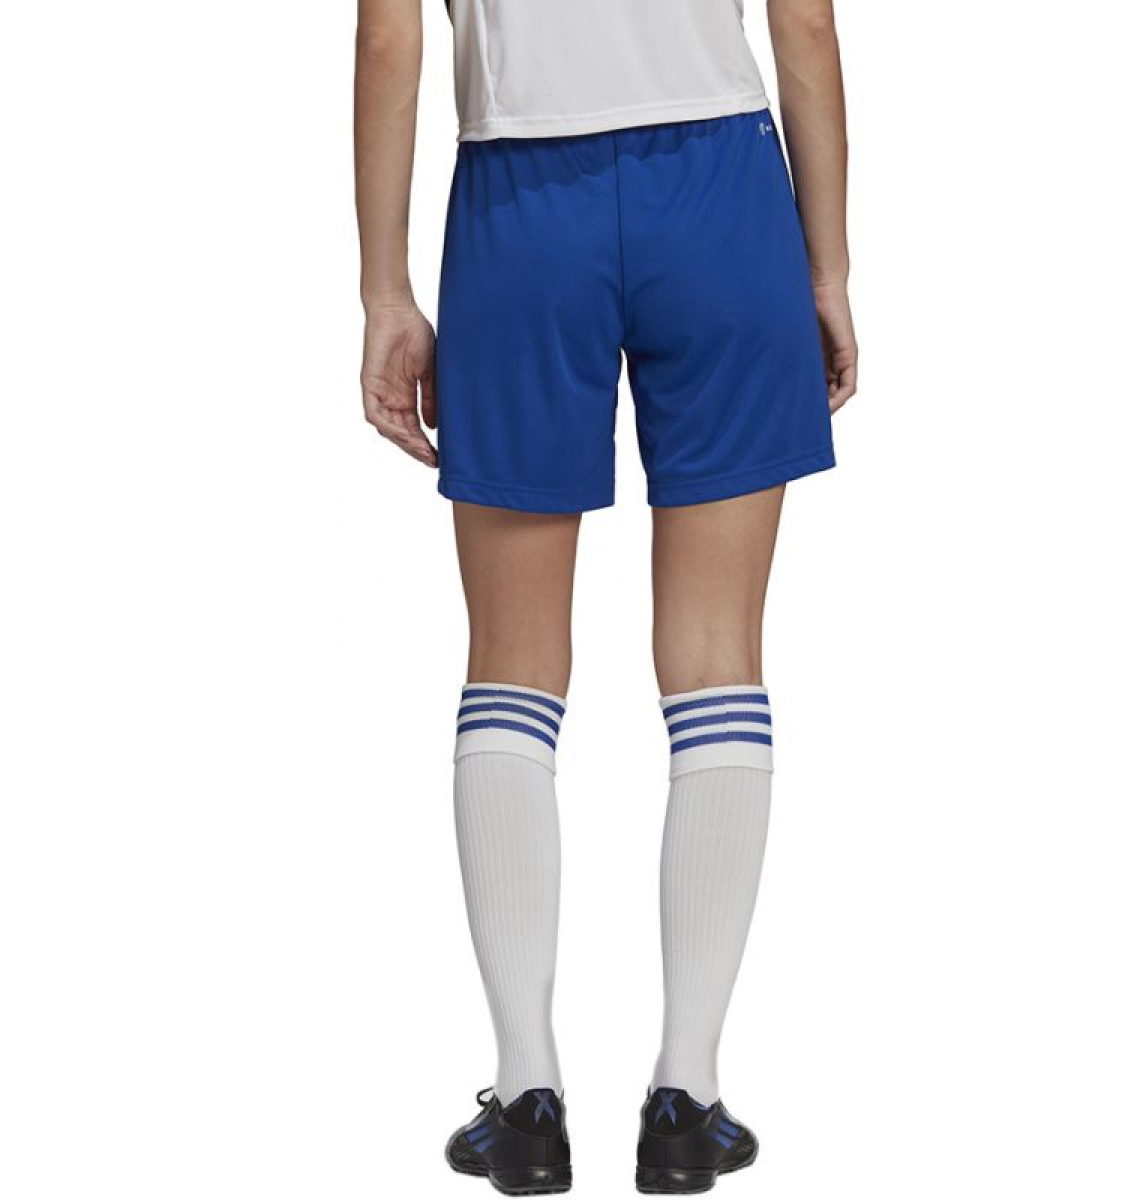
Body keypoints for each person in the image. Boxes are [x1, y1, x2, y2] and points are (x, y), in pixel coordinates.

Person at [354, 0, 857, 1192]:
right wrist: (828, 267)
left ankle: (526, 1096)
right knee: (717, 653)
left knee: (512, 659)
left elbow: (387, 39)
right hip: (724, 192)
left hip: (521, 202)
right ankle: (690, 1095)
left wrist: (385, 291)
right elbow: (804, 25)